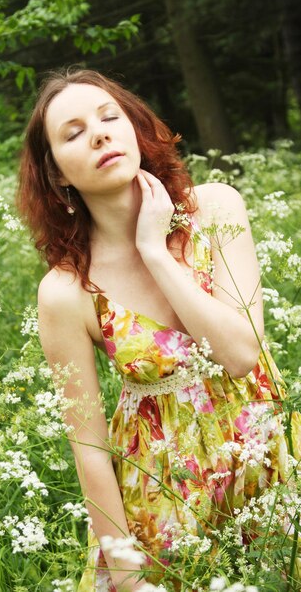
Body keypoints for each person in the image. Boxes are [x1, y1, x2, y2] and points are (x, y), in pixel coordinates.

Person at [16, 68, 301, 591]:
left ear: (134, 128)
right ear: (57, 174)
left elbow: (241, 357)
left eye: (109, 117)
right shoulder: (65, 292)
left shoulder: (214, 208)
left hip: (266, 468)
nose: (99, 133)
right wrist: (124, 573)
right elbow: (89, 446)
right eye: (73, 132)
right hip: (164, 495)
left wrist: (156, 252)